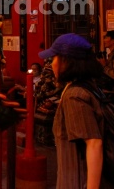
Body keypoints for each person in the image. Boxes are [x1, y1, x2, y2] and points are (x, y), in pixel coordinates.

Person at [38, 33, 113, 189]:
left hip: (77, 180)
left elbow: (94, 143)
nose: (51, 64)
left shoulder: (75, 96)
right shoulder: (89, 86)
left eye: (54, 59)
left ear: (66, 61)